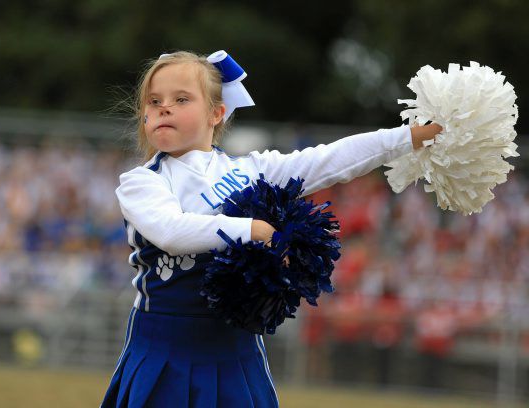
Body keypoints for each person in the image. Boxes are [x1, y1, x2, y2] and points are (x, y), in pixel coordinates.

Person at [100, 50, 441, 408]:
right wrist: (254, 230)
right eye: (154, 102)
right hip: (165, 345)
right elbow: (170, 231)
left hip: (235, 345)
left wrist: (409, 137)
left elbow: (329, 159)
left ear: (217, 113)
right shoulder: (140, 182)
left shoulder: (250, 170)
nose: (164, 108)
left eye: (181, 99)